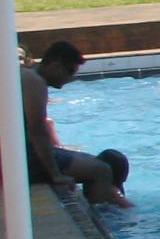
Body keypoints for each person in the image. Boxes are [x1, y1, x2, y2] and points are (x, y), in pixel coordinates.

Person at [22, 42, 129, 205]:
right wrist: (55, 174)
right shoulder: (34, 81)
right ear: (56, 65)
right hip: (22, 159)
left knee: (112, 161)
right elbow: (38, 132)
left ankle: (113, 205)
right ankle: (107, 222)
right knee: (101, 170)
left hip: (20, 155)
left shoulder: (28, 77)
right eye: (70, 71)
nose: (71, 78)